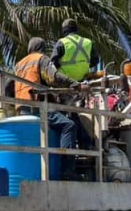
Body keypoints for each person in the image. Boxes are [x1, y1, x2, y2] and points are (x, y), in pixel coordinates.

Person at [13, 37, 88, 178]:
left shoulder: (19, 64)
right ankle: (68, 171)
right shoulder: (41, 59)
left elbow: (9, 87)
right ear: (42, 48)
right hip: (37, 106)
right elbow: (54, 77)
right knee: (69, 125)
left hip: (22, 108)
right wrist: (75, 84)